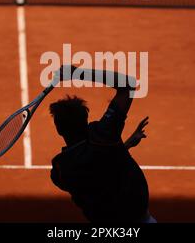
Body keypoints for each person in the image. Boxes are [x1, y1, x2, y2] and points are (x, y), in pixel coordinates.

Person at [49, 65, 156, 222]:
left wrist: (122, 147)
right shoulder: (104, 135)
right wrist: (78, 73)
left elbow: (94, 171)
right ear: (85, 121)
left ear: (59, 129)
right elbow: (127, 85)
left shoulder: (60, 169)